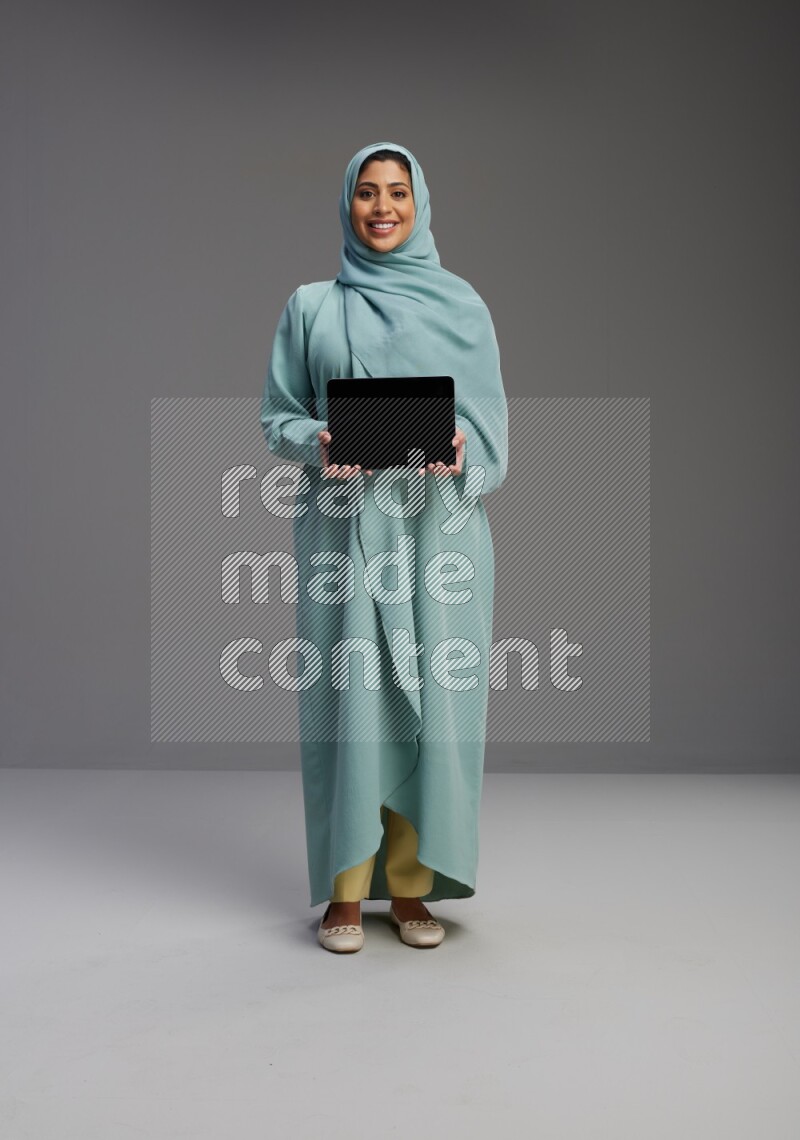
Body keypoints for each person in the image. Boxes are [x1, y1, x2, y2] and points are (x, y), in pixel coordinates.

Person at [260, 141, 508, 953]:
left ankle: (409, 888)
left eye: (397, 192)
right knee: (350, 707)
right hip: (344, 534)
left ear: (420, 202)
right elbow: (277, 417)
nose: (382, 208)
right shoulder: (310, 307)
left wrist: (462, 449)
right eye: (367, 192)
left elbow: (492, 435)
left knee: (430, 707)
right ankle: (344, 889)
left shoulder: (463, 306)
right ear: (347, 203)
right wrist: (321, 439)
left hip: (437, 536)